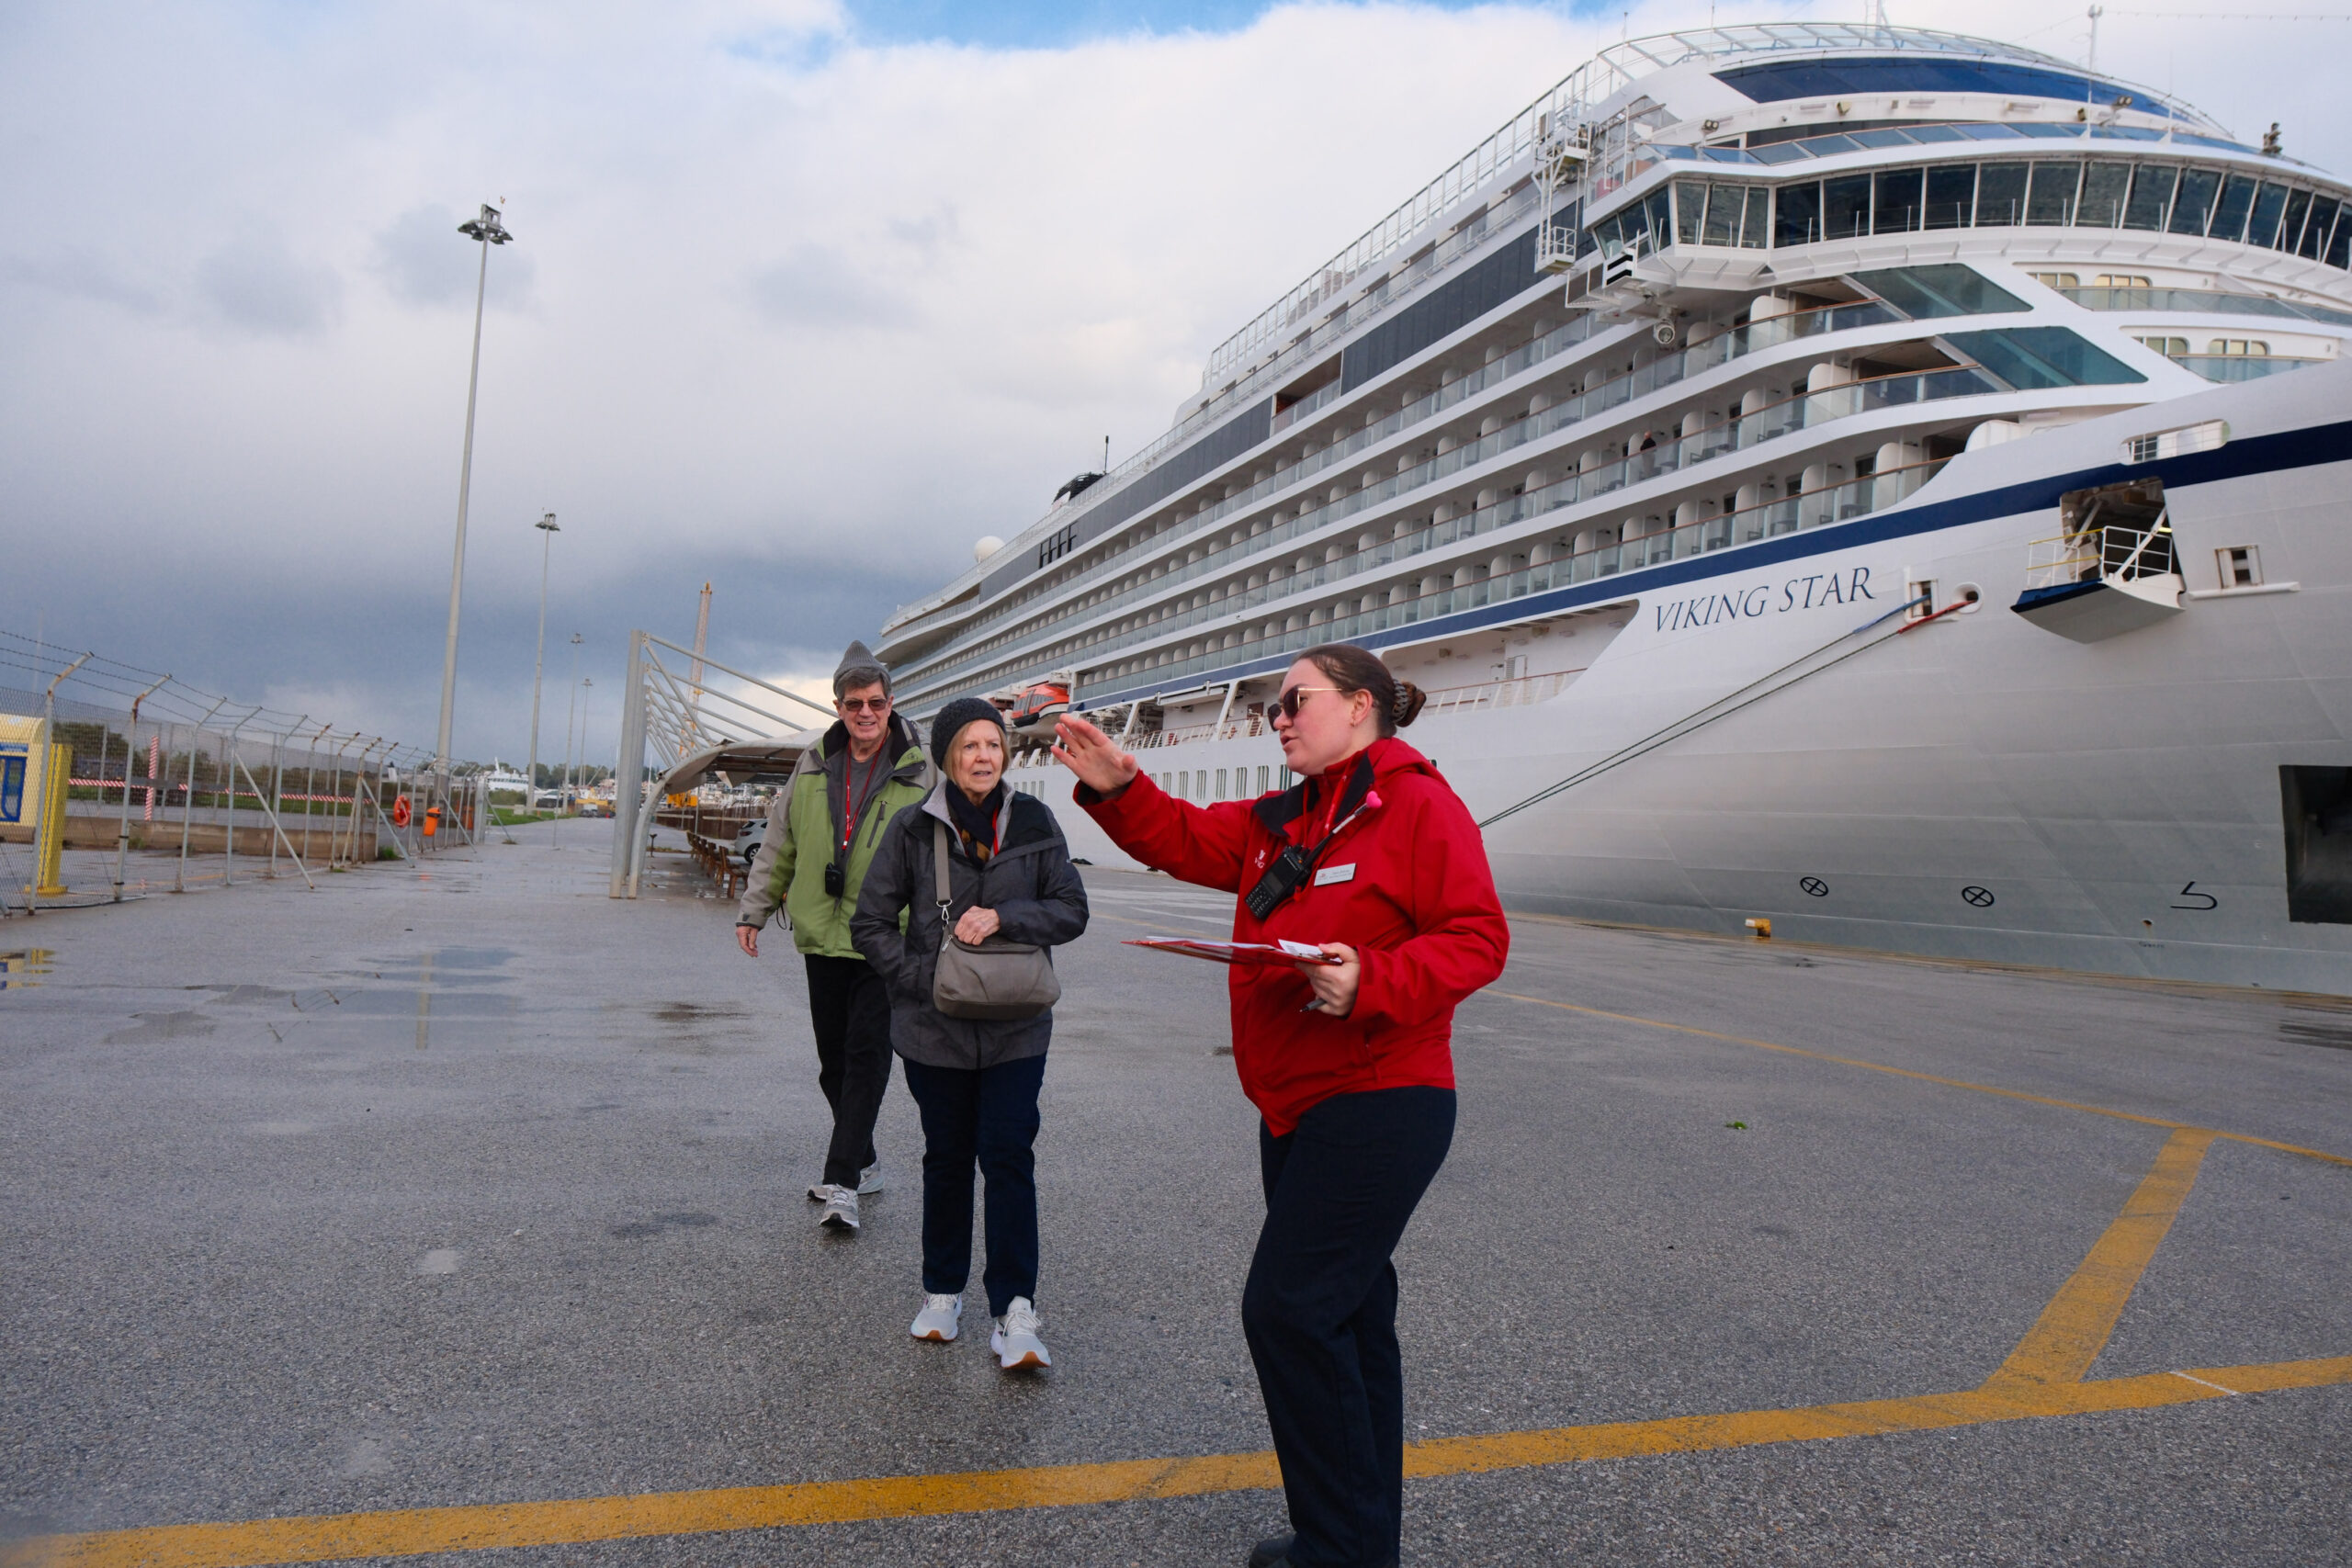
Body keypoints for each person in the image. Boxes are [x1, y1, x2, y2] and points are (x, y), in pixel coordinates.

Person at [1053, 645, 1508, 1568]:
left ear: (1360, 706)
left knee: (1289, 1310)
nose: (1279, 718)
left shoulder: (1417, 804)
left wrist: (1372, 976)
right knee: (1349, 1317)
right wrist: (1119, 787)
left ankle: (1336, 1548)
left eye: (1296, 701)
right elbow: (1185, 839)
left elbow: (1478, 937)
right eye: (1274, 708)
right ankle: (1358, 1540)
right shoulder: (1287, 818)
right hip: (1296, 1104)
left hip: (1381, 1096)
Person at [852, 696, 1090, 1370]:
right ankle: (943, 1290)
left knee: (1009, 1155)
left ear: (1005, 754)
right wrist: (920, 979)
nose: (983, 757)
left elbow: (1071, 909)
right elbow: (870, 922)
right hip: (935, 1028)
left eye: (992, 745)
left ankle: (1015, 1307)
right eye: (969, 746)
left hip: (1018, 1025)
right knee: (948, 1156)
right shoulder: (912, 827)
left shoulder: (1035, 820)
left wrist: (1004, 916)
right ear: (947, 756)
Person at [736, 641, 930, 1235]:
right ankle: (864, 1161)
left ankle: (842, 1181)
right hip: (822, 931)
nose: (865, 713)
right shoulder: (814, 763)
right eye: (854, 704)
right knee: (832, 1063)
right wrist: (754, 910)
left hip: (886, 934)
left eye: (876, 702)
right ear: (838, 707)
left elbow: (943, 851)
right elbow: (781, 840)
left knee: (868, 1056)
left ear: (891, 702)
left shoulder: (922, 767)